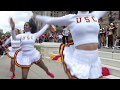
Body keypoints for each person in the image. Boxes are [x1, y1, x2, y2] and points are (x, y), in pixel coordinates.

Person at [33, 11, 107, 79]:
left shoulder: (95, 14)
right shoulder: (71, 18)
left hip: (95, 59)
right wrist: (36, 17)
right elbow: (50, 20)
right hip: (80, 59)